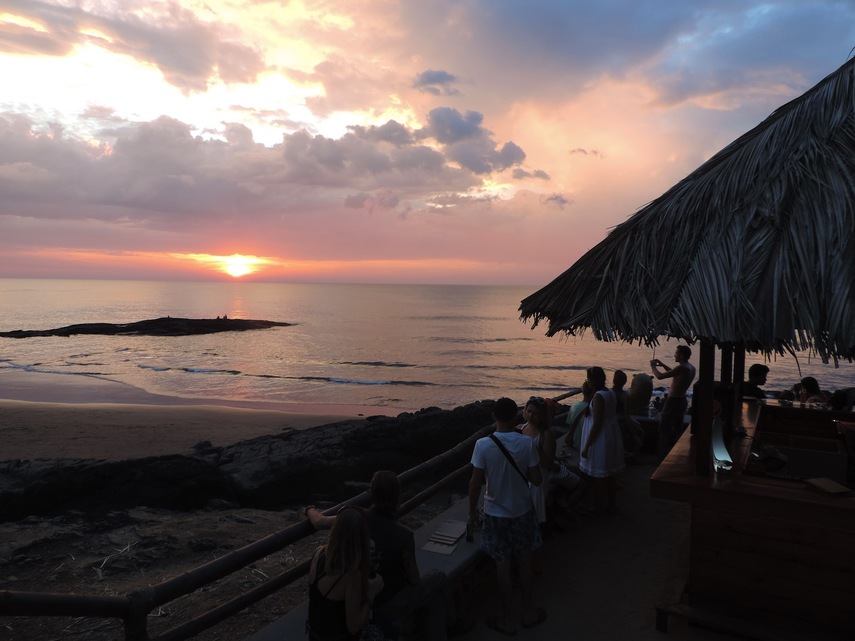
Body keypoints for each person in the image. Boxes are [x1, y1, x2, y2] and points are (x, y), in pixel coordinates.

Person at [307, 471, 469, 641]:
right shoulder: (403, 535)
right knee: (438, 578)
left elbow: (319, 522)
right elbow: (414, 579)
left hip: (361, 601)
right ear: (397, 497)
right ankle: (453, 624)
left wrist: (309, 509)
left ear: (372, 494)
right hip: (386, 603)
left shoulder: (354, 517)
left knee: (433, 599)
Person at [468, 397, 547, 635]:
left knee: (502, 565)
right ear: (516, 416)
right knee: (524, 562)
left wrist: (471, 513)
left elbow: (475, 483)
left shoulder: (483, 445)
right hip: (522, 511)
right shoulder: (527, 443)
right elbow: (536, 480)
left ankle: (506, 619)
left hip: (495, 514)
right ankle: (528, 613)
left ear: (494, 416)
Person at [307, 506, 384, 641]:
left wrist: (308, 509)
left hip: (314, 635)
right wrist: (371, 595)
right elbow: (353, 627)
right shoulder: (351, 575)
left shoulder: (319, 553)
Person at [579, 366, 625, 512]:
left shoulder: (598, 396)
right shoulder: (609, 392)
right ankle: (611, 504)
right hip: (609, 434)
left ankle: (599, 506)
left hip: (600, 439)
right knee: (609, 474)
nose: (587, 381)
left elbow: (597, 423)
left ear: (593, 380)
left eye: (588, 379)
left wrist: (587, 445)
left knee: (598, 475)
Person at [650, 345, 697, 460]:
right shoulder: (690, 367)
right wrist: (662, 364)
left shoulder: (682, 368)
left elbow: (660, 376)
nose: (675, 355)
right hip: (681, 400)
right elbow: (673, 373)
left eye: (676, 353)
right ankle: (677, 455)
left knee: (663, 430)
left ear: (682, 356)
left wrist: (653, 366)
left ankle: (660, 458)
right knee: (677, 429)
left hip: (673, 401)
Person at [612, 370, 643, 456]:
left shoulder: (609, 392)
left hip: (611, 420)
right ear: (625, 382)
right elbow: (626, 416)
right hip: (621, 421)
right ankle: (633, 455)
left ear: (613, 380)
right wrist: (634, 433)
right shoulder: (625, 396)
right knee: (641, 431)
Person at [566, 380, 593, 450]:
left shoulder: (574, 407)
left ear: (582, 392)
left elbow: (569, 425)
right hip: (589, 447)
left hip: (575, 444)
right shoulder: (594, 409)